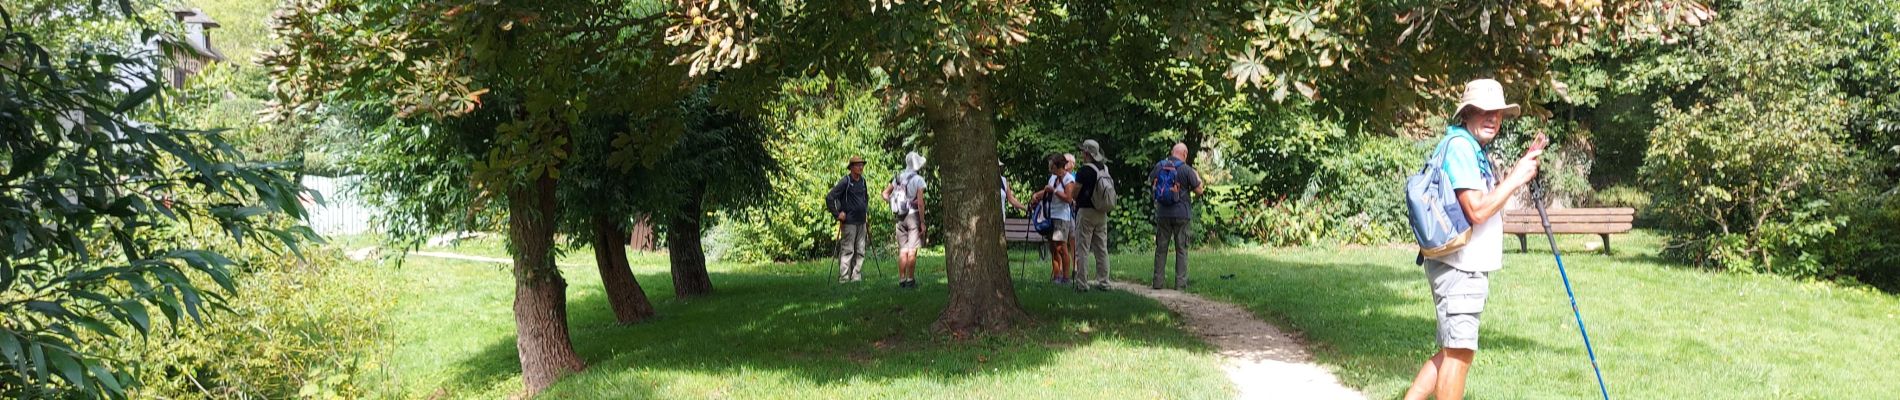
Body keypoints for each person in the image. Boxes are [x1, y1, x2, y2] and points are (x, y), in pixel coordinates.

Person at [1402, 78, 1545, 400]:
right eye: (1483, 111)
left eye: (1497, 112)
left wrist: (1519, 169)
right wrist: (1517, 178)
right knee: (1459, 354)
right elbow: (1477, 211)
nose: (1492, 118)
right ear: (1466, 114)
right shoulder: (1463, 148)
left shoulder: (1469, 148)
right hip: (1460, 267)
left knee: (1453, 351)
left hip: (1460, 265)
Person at [1148, 142, 1203, 290]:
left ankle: (1157, 283)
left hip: (1163, 213)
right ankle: (1180, 285)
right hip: (1181, 214)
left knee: (1161, 248)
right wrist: (1197, 176)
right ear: (1185, 154)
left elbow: (1151, 182)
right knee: (1181, 249)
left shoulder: (1160, 166)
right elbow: (1199, 191)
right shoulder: (1186, 169)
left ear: (1172, 152)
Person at [882, 152, 929, 289]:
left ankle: (901, 279)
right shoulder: (918, 180)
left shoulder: (898, 178)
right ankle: (910, 279)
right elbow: (920, 203)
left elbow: (885, 194)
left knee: (903, 250)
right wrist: (922, 222)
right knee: (912, 250)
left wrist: (894, 203)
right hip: (913, 217)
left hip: (900, 217)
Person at [1073, 140, 1112, 292]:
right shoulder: (1104, 168)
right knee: (1101, 248)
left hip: (1086, 212)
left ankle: (1082, 283)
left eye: (1083, 151)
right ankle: (1104, 282)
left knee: (1083, 248)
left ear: (1087, 153)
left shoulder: (1084, 171)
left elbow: (1075, 192)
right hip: (1101, 212)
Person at [1032, 154, 1078, 284]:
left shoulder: (1069, 179)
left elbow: (1069, 198)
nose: (1049, 168)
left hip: (1062, 217)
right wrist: (1037, 195)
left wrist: (1055, 191)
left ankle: (1066, 277)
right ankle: (1056, 275)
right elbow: (1048, 190)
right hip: (1050, 215)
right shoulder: (1053, 177)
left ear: (1058, 166)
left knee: (1061, 247)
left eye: (1051, 166)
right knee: (1053, 247)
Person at [825, 156, 870, 283]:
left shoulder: (862, 181)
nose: (861, 167)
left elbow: (866, 198)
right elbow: (830, 198)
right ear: (851, 167)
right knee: (848, 250)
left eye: (862, 165)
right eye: (858, 165)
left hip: (861, 221)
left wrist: (865, 212)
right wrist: (837, 214)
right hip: (849, 222)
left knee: (860, 250)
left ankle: (856, 276)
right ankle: (844, 278)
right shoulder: (845, 181)